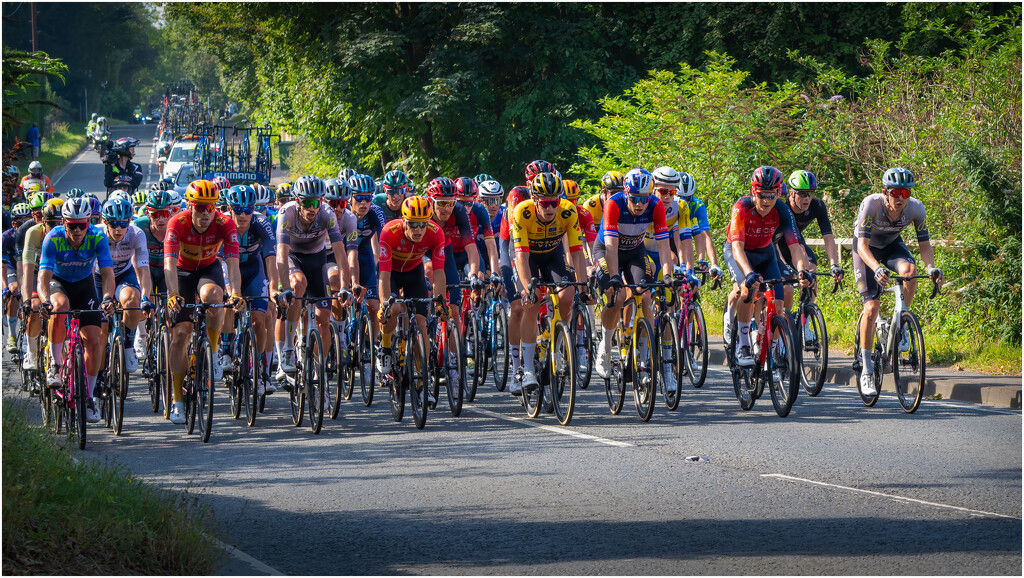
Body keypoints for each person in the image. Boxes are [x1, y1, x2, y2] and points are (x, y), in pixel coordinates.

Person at [852, 167, 943, 396]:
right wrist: (876, 268)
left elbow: (925, 246)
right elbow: (862, 247)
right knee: (872, 307)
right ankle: (867, 370)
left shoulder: (916, 208)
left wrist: (931, 268)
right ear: (885, 192)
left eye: (906, 193)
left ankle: (900, 322)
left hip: (892, 246)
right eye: (895, 193)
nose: (901, 198)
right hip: (865, 250)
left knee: (910, 272)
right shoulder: (871, 204)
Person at [164, 180, 244, 424]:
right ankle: (177, 400)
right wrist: (172, 294)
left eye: (211, 208)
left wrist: (237, 292)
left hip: (209, 270)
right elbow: (168, 263)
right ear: (189, 206)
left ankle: (213, 349)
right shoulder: (177, 222)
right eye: (199, 207)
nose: (205, 213)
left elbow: (232, 262)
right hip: (182, 273)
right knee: (180, 334)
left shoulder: (225, 223)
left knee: (214, 297)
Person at [723, 166, 812, 368]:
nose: (766, 201)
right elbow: (737, 247)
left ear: (778, 193)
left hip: (766, 253)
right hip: (740, 252)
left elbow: (795, 246)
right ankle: (744, 344)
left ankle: (769, 347)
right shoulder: (741, 207)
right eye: (761, 195)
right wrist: (748, 274)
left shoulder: (782, 210)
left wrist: (801, 269)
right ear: (754, 192)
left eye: (771, 196)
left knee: (779, 306)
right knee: (748, 287)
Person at [37, 197, 116, 423]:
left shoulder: (97, 236)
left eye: (83, 224)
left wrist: (108, 297)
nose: (78, 230)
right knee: (60, 306)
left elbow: (107, 273)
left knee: (93, 338)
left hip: (84, 285)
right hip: (59, 283)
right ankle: (55, 364)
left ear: (89, 222)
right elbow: (43, 276)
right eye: (73, 225)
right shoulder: (53, 238)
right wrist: (44, 301)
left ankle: (89, 397)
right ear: (64, 223)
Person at [510, 171, 589, 392]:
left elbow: (576, 253)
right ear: (534, 200)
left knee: (568, 294)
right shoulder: (522, 212)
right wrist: (527, 290)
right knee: (532, 303)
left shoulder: (568, 211)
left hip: (553, 255)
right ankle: (526, 369)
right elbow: (522, 257)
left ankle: (558, 342)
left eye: (555, 202)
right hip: (529, 257)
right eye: (545, 203)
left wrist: (582, 286)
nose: (550, 209)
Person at [593, 168, 675, 379]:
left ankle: (644, 361)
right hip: (607, 250)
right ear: (626, 194)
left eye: (643, 199)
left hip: (634, 252)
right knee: (617, 295)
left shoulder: (656, 206)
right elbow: (611, 247)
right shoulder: (614, 204)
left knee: (645, 294)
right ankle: (605, 344)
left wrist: (667, 275)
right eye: (634, 199)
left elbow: (664, 246)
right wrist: (613, 277)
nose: (639, 205)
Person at [274, 175, 348, 381]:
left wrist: (344, 286)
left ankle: (319, 370)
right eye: (307, 202)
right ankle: (288, 348)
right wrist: (284, 288)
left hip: (317, 261)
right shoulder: (286, 213)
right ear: (297, 201)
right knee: (297, 284)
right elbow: (281, 253)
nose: (312, 208)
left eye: (316, 202)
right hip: (292, 258)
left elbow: (340, 253)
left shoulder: (328, 214)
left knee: (324, 319)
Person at [375, 196, 448, 386]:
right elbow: (383, 275)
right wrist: (385, 304)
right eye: (413, 224)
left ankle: (422, 378)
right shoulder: (389, 232)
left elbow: (439, 273)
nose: (418, 230)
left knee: (421, 323)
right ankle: (385, 348)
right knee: (395, 310)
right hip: (391, 273)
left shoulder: (436, 232)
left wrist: (440, 303)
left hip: (414, 273)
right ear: (404, 222)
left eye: (423, 224)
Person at [217, 185, 279, 394]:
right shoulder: (222, 223)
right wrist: (228, 288)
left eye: (248, 210)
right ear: (229, 208)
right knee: (227, 301)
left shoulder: (261, 222)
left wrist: (274, 289)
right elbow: (219, 262)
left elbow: (271, 258)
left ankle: (261, 368)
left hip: (254, 271)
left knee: (259, 319)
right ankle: (226, 350)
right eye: (238, 210)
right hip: (227, 268)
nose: (243, 215)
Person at [775, 170, 844, 335]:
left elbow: (828, 236)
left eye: (810, 193)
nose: (807, 198)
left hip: (797, 242)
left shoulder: (817, 206)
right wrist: (786, 266)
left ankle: (805, 322)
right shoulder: (782, 207)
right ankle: (784, 324)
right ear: (791, 193)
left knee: (811, 272)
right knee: (788, 281)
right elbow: (774, 242)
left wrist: (834, 264)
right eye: (802, 194)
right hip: (778, 244)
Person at [17, 199, 63, 371]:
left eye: (60, 222)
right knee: (35, 308)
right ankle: (31, 352)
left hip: (57, 276)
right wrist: (26, 300)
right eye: (52, 223)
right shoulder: (33, 233)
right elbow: (27, 272)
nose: (56, 226)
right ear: (43, 221)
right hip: (37, 273)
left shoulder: (69, 233)